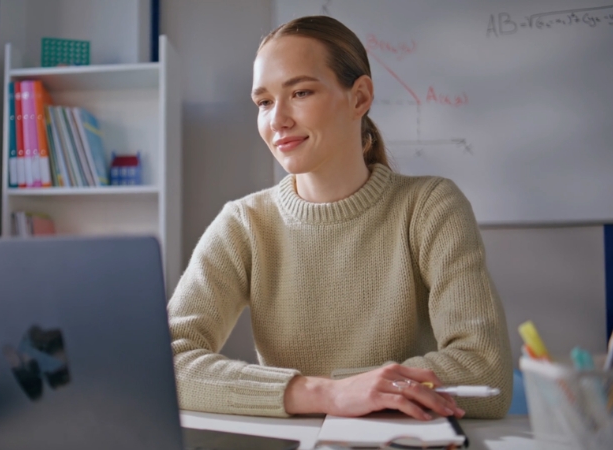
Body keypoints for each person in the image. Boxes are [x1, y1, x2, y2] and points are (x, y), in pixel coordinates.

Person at [167, 15, 513, 421]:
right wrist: (327, 394)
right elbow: (167, 362)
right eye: (263, 102)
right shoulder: (243, 224)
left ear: (360, 97)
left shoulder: (430, 207)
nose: (276, 120)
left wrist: (355, 393)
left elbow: (485, 372)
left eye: (300, 92)